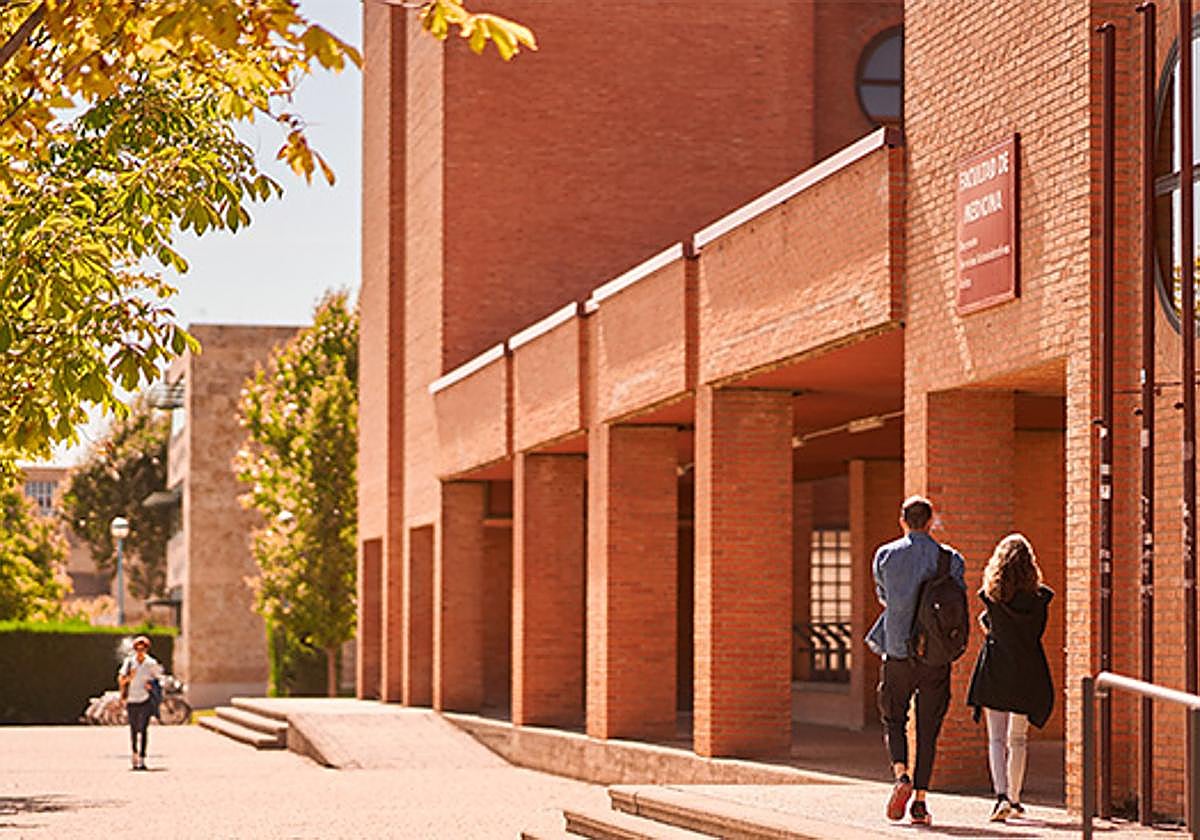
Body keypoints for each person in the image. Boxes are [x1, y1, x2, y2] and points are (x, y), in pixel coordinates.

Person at [867, 495, 966, 826]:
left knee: (894, 717)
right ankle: (920, 803)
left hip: (897, 651)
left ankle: (901, 776)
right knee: (928, 728)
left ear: (903, 520)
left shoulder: (885, 555)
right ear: (931, 521)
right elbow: (956, 604)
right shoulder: (950, 559)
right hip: (935, 656)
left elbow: (884, 597)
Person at [966, 533, 1054, 822]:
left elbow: (991, 627)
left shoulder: (991, 597)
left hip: (996, 669)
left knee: (996, 739)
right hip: (1028, 670)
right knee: (1018, 739)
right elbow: (1035, 632)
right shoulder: (1041, 599)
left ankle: (1001, 796)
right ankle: (1015, 799)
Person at [118, 634, 163, 770]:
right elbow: (121, 680)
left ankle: (142, 757)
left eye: (142, 649)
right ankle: (134, 755)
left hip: (145, 699)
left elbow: (158, 678)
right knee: (133, 729)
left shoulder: (151, 663)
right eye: (137, 649)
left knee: (143, 729)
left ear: (146, 649)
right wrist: (129, 678)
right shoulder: (129, 662)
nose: (140, 651)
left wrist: (152, 685)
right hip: (132, 699)